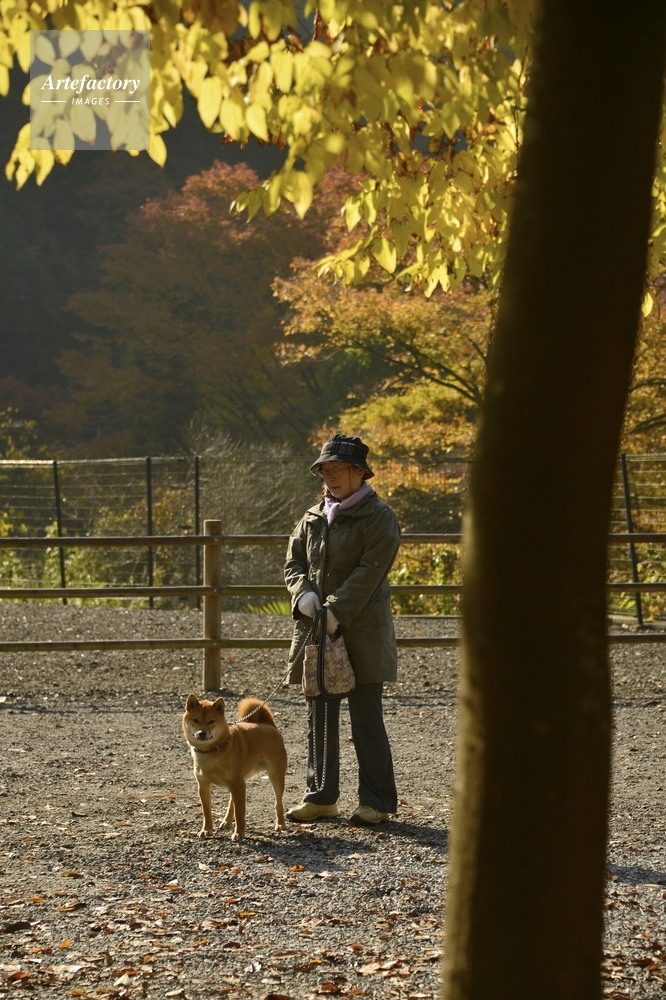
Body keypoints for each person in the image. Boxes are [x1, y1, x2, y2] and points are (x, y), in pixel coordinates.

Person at [284, 433, 401, 826]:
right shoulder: (312, 517)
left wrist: (335, 609)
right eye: (325, 471)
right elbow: (293, 563)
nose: (330, 477)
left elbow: (371, 572)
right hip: (317, 630)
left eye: (337, 470)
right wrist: (302, 594)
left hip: (363, 632)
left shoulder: (380, 517)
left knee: (366, 718)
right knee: (319, 715)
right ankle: (320, 797)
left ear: (359, 472)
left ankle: (376, 801)